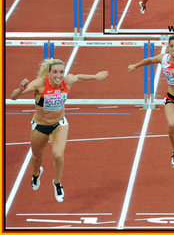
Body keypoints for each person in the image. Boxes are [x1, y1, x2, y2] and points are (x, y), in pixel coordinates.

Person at [10, 59, 108, 202]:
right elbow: (13, 97)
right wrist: (20, 89)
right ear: (49, 73)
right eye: (55, 72)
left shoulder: (66, 81)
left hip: (59, 124)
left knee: (58, 155)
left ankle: (57, 183)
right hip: (40, 125)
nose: (58, 75)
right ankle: (36, 174)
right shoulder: (39, 84)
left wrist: (96, 76)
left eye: (61, 72)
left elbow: (78, 77)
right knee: (37, 157)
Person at [128, 35, 174, 168]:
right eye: (171, 46)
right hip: (172, 99)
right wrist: (135, 66)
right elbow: (150, 60)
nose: (173, 49)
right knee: (172, 124)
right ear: (168, 47)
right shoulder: (163, 58)